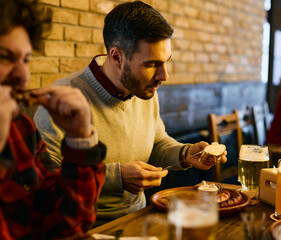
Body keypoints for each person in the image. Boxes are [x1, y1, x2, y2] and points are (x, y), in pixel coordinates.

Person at [34, 0, 227, 226]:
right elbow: (43, 182)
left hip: (139, 218)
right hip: (83, 227)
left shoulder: (144, 90)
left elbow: (157, 143)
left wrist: (185, 154)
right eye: (151, 64)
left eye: (166, 62)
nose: (164, 76)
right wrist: (115, 177)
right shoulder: (62, 100)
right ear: (117, 57)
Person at [0, 0, 107, 239]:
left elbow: (63, 224)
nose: (22, 75)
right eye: (5, 56)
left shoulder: (20, 127)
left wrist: (80, 139)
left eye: (26, 60)